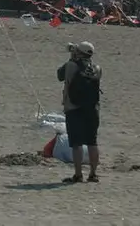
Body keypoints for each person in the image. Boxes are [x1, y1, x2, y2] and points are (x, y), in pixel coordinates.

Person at [59, 41, 103, 184]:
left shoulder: (71, 65)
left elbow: (60, 75)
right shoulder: (97, 68)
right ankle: (93, 174)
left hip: (74, 108)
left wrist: (71, 58)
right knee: (92, 142)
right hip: (92, 109)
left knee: (76, 143)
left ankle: (78, 175)